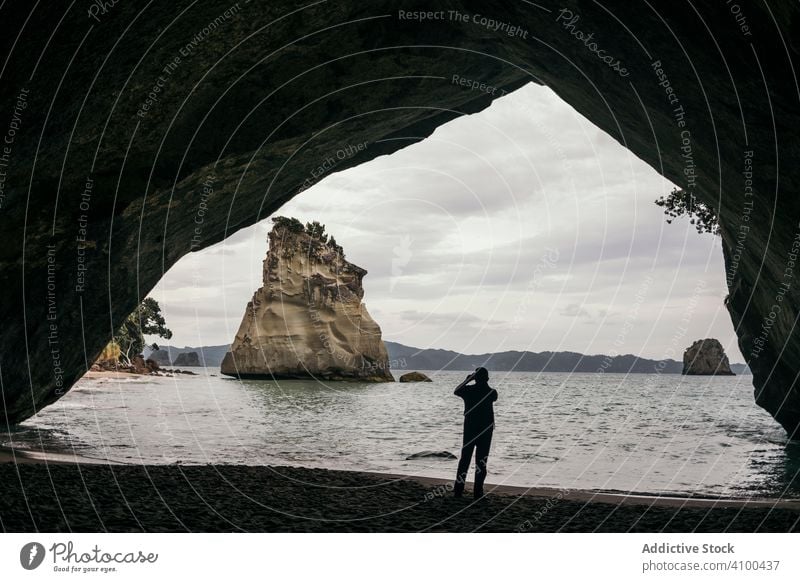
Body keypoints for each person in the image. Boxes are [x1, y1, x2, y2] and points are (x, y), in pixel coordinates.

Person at [453, 367, 497, 499]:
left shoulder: (468, 391)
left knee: (465, 460)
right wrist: (476, 379)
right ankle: (478, 492)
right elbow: (493, 396)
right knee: (481, 462)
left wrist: (467, 380)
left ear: (475, 378)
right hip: (485, 431)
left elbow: (456, 391)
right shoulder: (491, 392)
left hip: (470, 429)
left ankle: (458, 491)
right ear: (487, 379)